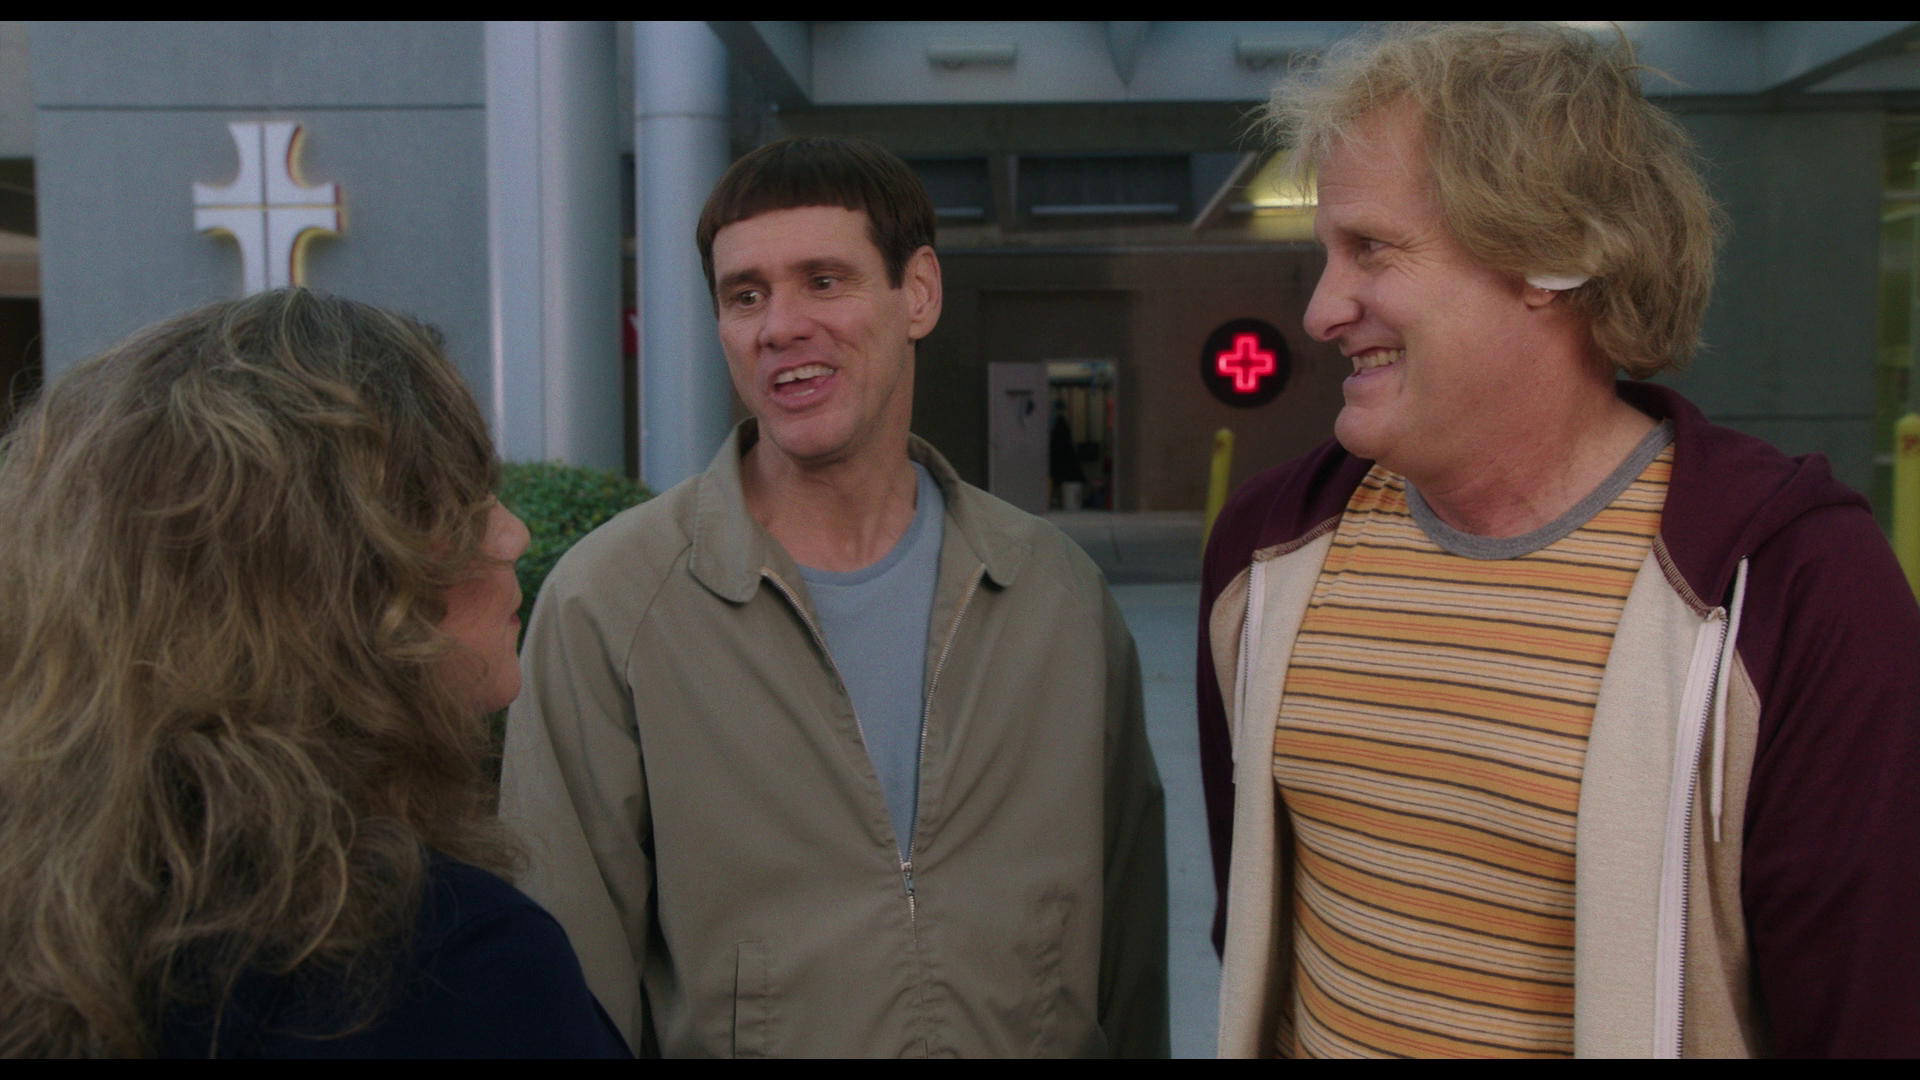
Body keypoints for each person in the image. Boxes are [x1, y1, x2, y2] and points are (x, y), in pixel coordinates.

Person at [1198, 23, 1920, 1058]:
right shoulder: (1266, 554)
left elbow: (1870, 1016)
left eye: (1373, 249)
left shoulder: (1794, 589)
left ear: (1552, 252)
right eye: (1326, 253)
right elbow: (1251, 927)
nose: (1320, 310)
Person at [501, 136, 1169, 1057]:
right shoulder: (610, 605)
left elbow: (1128, 953)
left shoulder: (1055, 594)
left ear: (918, 293)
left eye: (823, 281)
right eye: (745, 295)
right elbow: (565, 979)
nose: (780, 326)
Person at [0, 290, 628, 1058]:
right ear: (323, 587)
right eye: (456, 502)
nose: (513, 534)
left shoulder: (55, 910)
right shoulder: (452, 969)